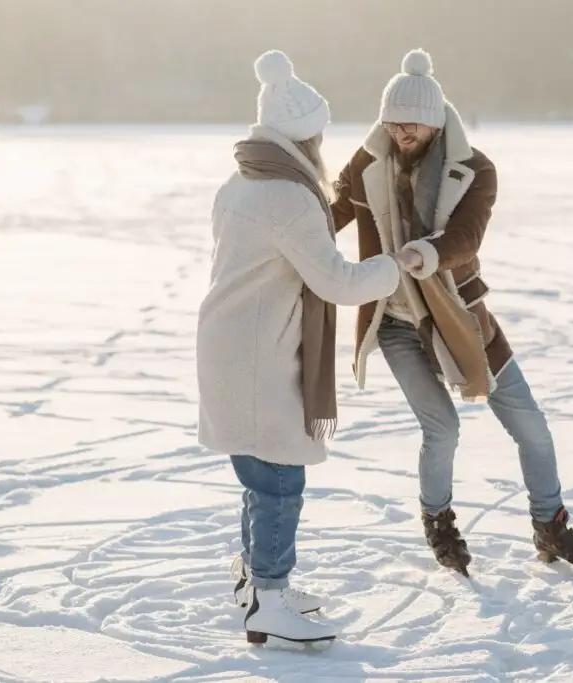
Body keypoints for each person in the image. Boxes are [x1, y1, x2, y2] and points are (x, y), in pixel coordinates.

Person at [330, 48, 573, 577]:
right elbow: (330, 213)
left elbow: (465, 235)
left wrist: (424, 254)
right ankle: (439, 522)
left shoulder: (475, 169)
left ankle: (550, 524)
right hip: (394, 322)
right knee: (442, 429)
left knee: (531, 427)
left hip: (461, 316)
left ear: (434, 122)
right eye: (390, 121)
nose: (398, 131)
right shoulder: (368, 162)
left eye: (409, 123)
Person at [196, 49, 400, 647]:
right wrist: (390, 267)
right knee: (279, 480)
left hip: (233, 343)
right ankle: (270, 599)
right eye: (318, 134)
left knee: (260, 474)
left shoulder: (241, 183)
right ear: (303, 137)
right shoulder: (288, 196)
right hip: (259, 353)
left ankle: (256, 583)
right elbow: (334, 281)